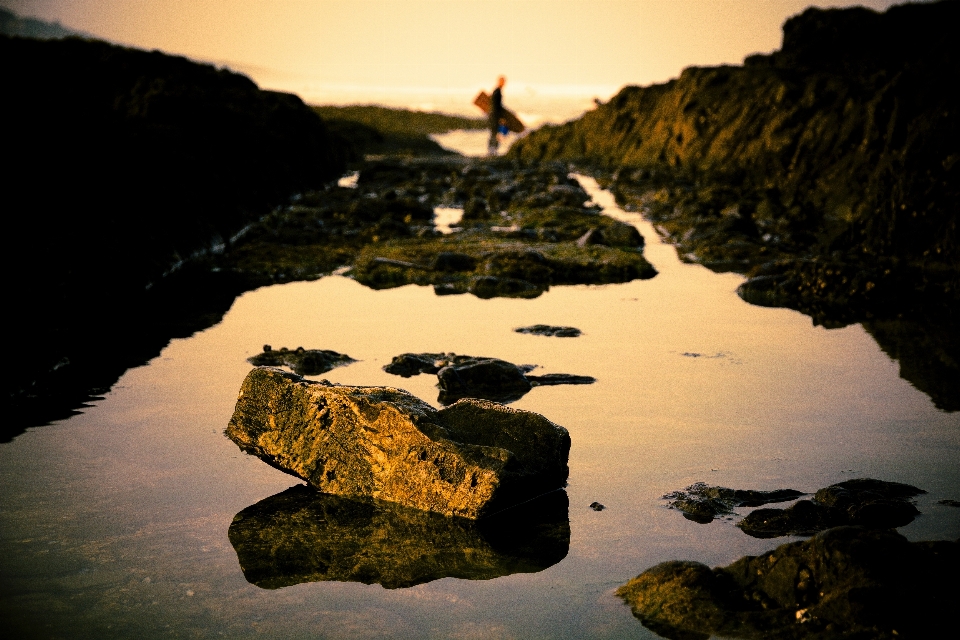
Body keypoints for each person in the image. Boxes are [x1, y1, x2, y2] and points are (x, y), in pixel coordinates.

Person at [488, 76, 506, 156]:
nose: (504, 84)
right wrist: (501, 117)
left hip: (492, 115)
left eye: (504, 82)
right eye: (502, 82)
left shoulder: (496, 91)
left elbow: (493, 104)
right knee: (495, 132)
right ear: (499, 82)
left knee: (494, 132)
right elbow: (497, 105)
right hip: (495, 115)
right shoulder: (497, 92)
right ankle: (492, 150)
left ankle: (492, 150)